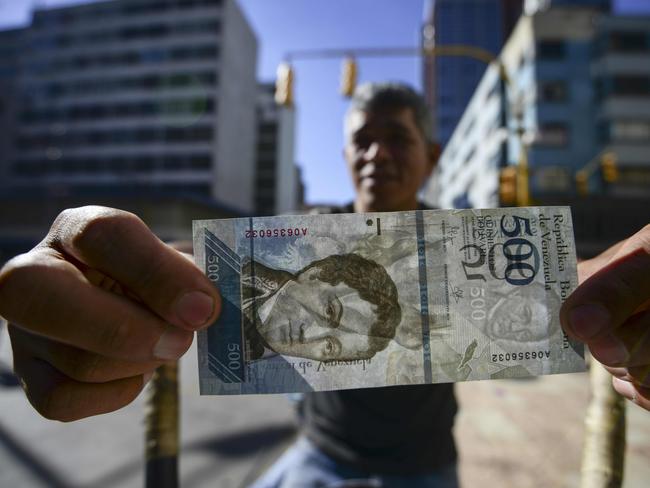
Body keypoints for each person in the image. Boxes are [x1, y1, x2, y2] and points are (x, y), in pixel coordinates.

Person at [0, 81, 647, 486]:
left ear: (432, 156)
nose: (376, 153)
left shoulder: (463, 238)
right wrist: (102, 281)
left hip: (423, 472)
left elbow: (574, 285)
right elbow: (179, 272)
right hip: (314, 462)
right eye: (362, 140)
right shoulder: (300, 234)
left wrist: (626, 300)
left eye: (396, 138)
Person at [242, 253, 401, 361]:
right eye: (330, 311)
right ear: (312, 275)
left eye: (330, 347)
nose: (311, 335)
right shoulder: (236, 271)